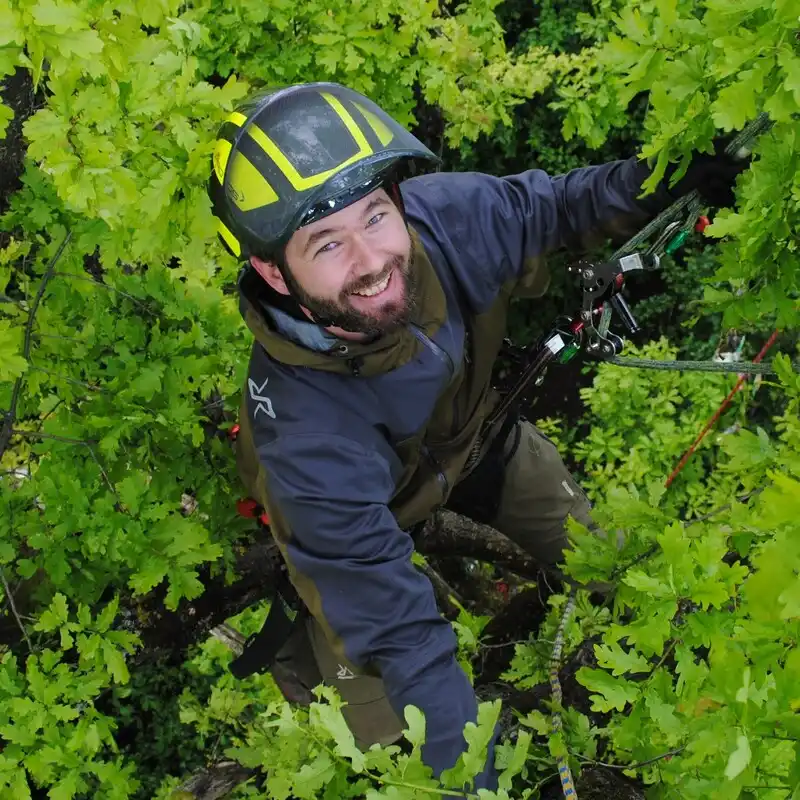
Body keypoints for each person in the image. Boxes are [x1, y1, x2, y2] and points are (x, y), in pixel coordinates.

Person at [207, 82, 747, 792]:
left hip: (477, 439)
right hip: (371, 523)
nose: (370, 260)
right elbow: (404, 639)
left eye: (374, 216)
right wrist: (476, 778)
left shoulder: (448, 224)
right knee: (399, 744)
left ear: (398, 202)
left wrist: (669, 181)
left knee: (617, 567)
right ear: (272, 270)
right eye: (327, 243)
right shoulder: (304, 438)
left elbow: (558, 206)